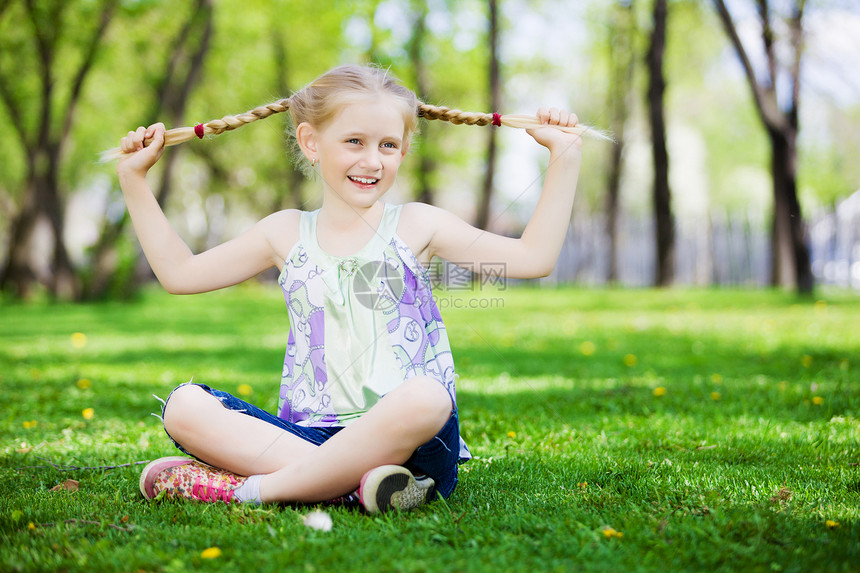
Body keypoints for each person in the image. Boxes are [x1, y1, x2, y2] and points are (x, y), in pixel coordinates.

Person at [115, 64, 585, 513]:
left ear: (403, 151)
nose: (371, 160)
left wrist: (565, 157)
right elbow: (180, 275)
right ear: (311, 142)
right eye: (354, 141)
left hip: (414, 447)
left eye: (387, 145)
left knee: (428, 395)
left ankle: (250, 490)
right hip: (313, 436)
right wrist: (133, 180)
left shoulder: (417, 224)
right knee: (184, 406)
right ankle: (354, 486)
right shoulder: (284, 234)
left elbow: (532, 259)